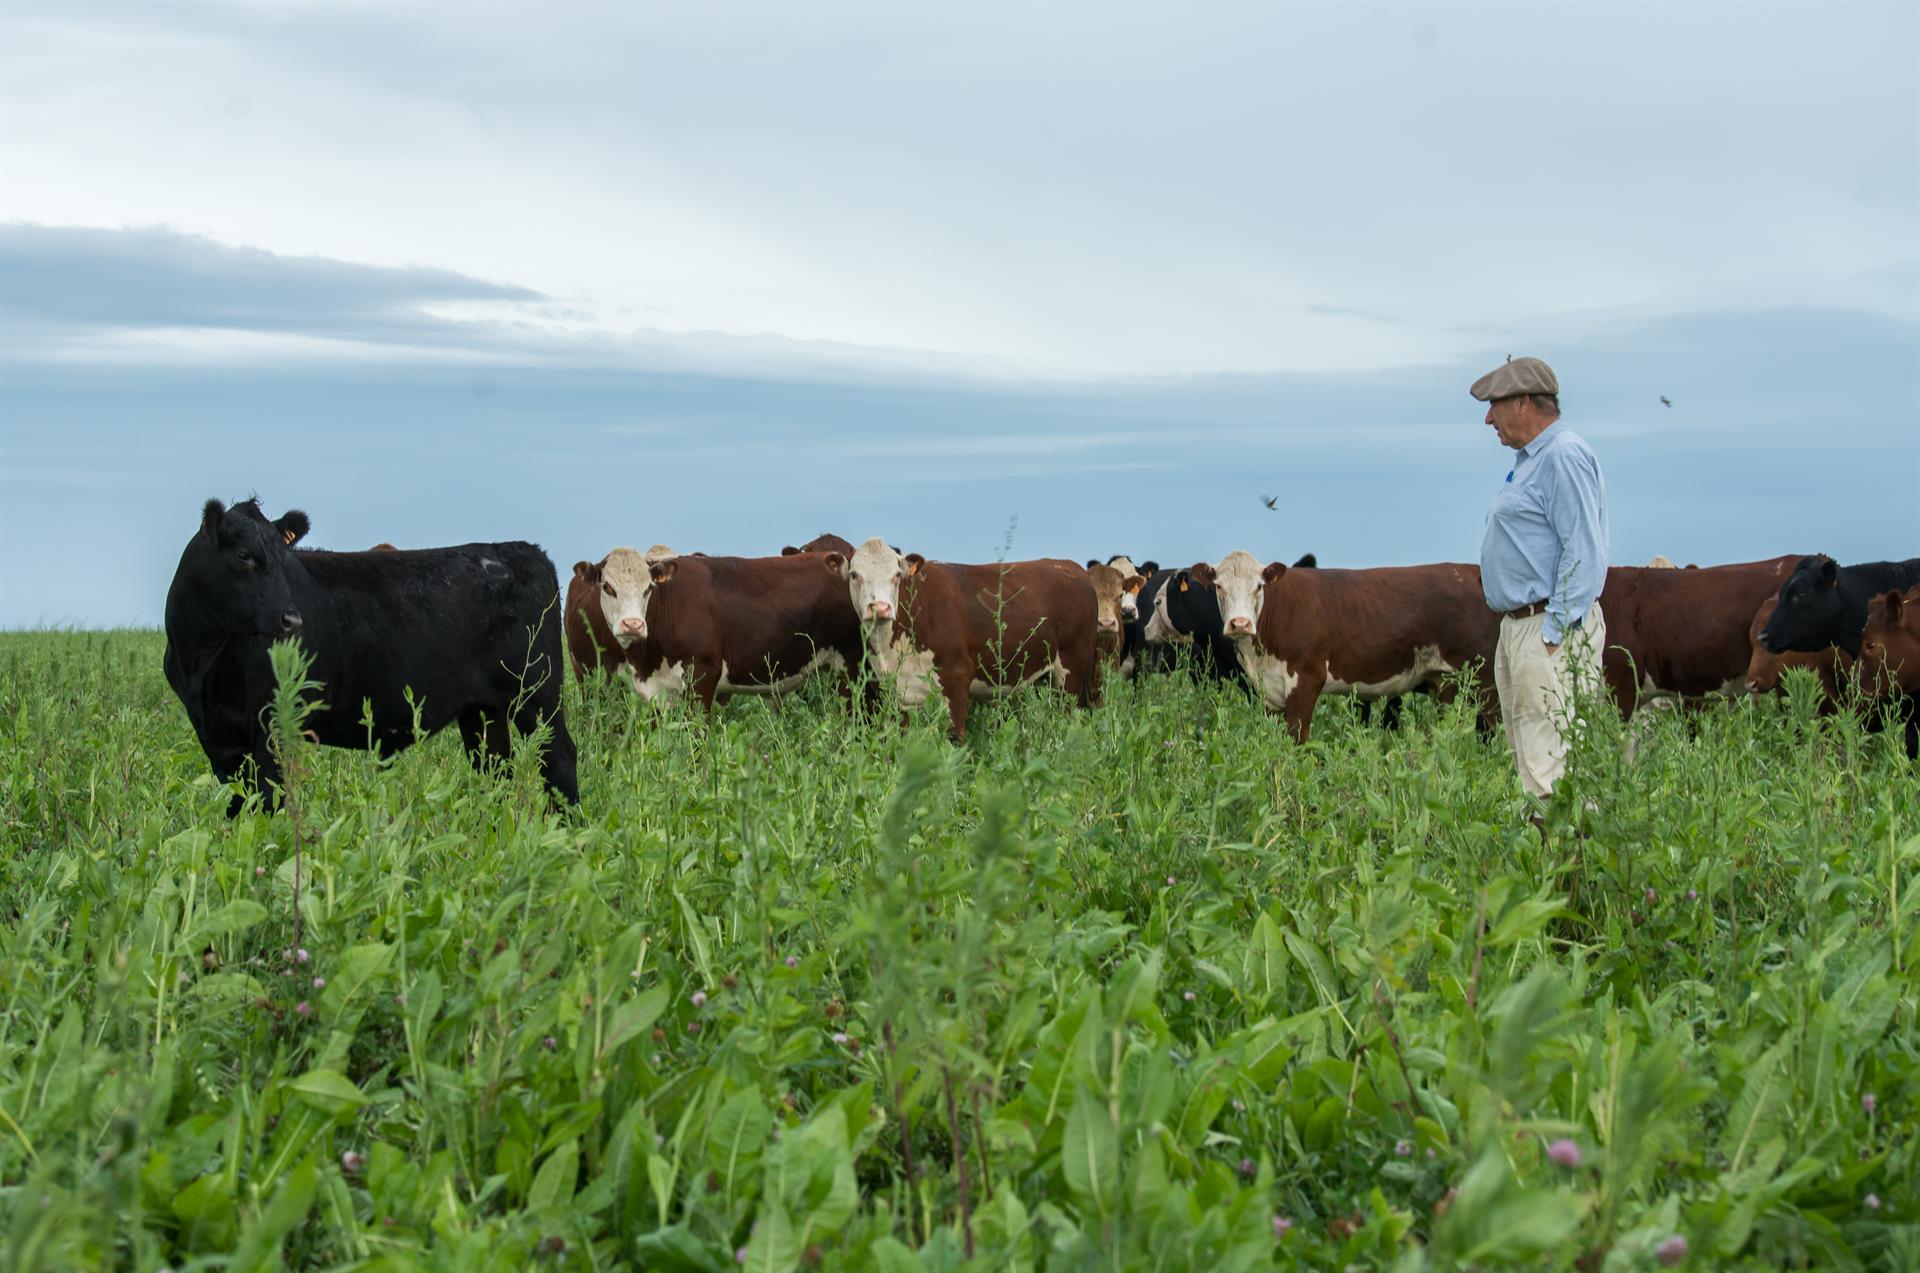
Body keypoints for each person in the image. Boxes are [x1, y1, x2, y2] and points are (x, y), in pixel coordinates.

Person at [1473, 356, 1608, 803]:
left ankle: (1564, 865)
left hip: (1547, 626)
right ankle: (1554, 863)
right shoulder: (1530, 461)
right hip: (1520, 626)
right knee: (1533, 756)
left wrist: (1552, 633)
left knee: (1549, 758)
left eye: (1496, 405)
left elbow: (1583, 550)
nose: (1489, 417)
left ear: (1524, 403)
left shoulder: (1562, 455)